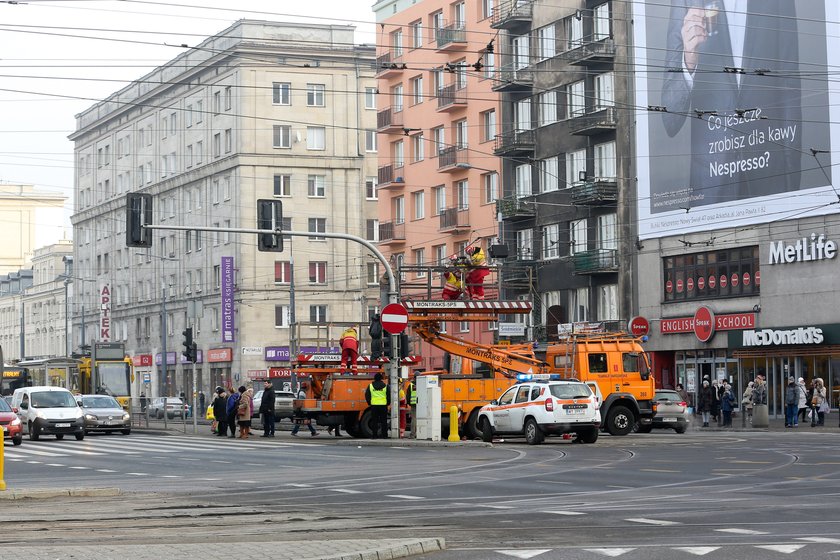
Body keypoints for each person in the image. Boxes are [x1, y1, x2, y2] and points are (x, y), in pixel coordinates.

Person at [659, 0, 802, 207]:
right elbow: (670, 119)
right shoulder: (687, 2)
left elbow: (790, 93)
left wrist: (793, 184)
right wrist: (689, 60)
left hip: (771, 179)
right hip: (710, 186)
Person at [365, 373, 390, 439]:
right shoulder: (386, 386)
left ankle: (374, 435)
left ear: (374, 378)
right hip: (383, 406)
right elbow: (389, 396)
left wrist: (370, 403)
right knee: (384, 421)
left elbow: (367, 395)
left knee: (374, 421)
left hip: (374, 406)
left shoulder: (370, 386)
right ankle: (385, 435)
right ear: (381, 378)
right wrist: (387, 403)